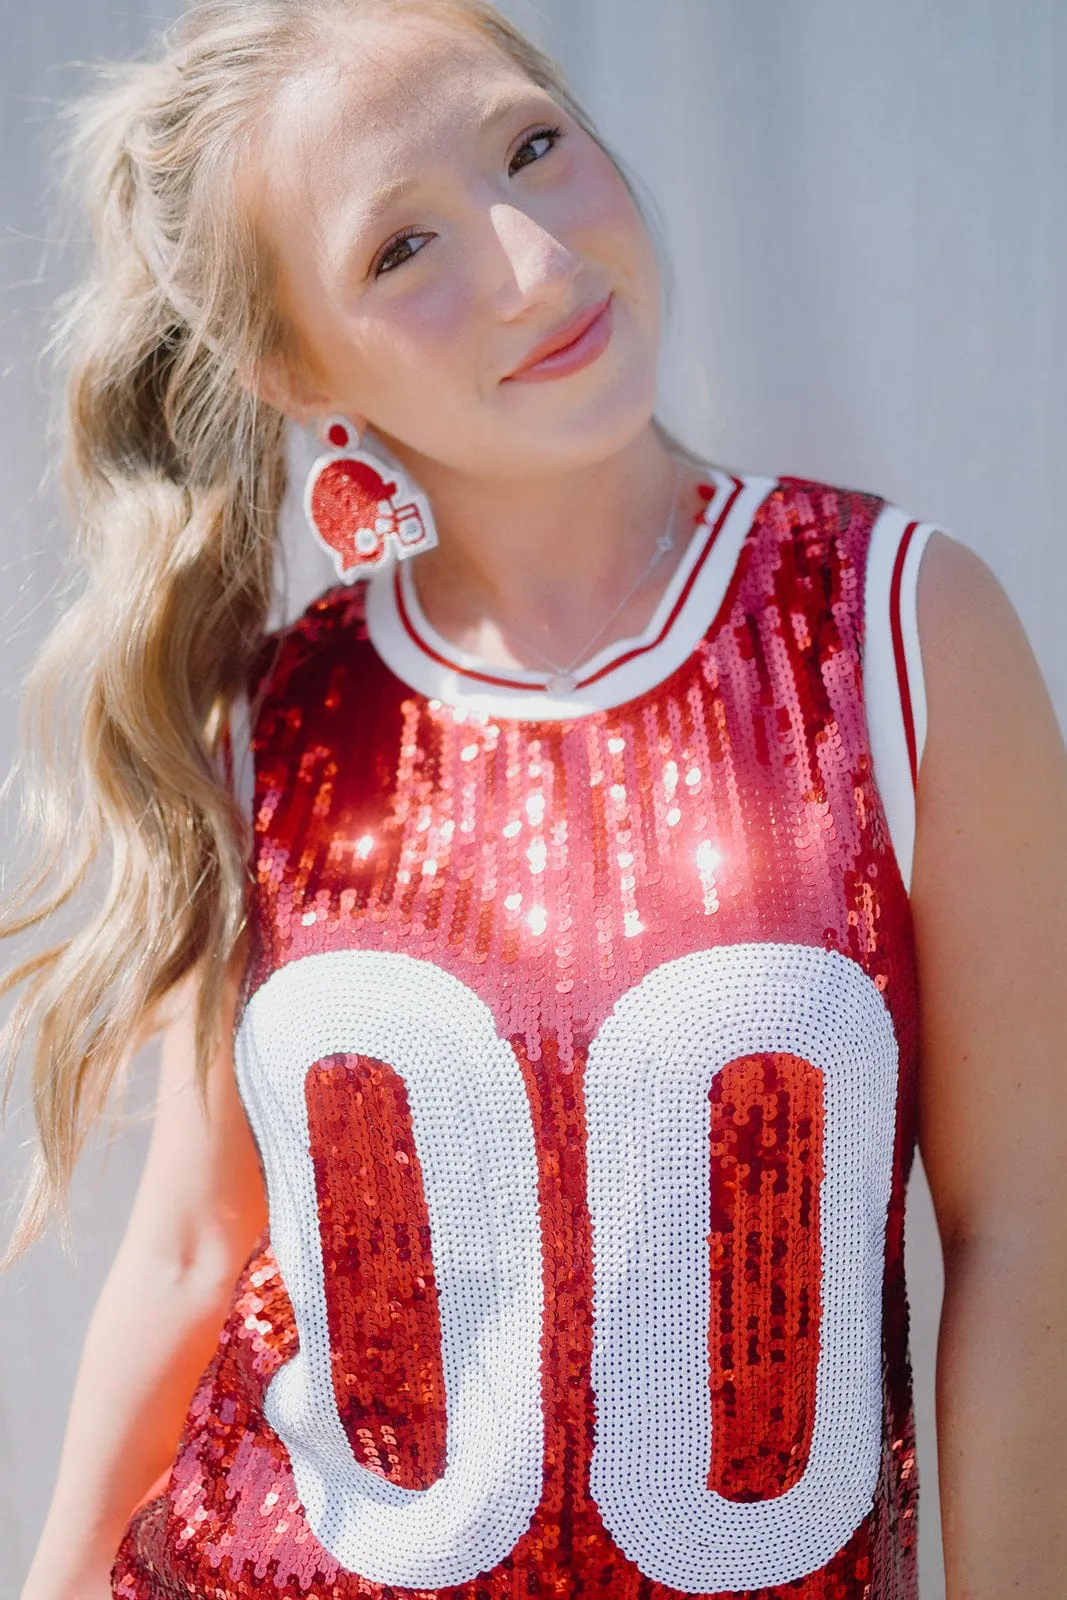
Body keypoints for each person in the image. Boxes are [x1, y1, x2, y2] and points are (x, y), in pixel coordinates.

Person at [6, 1, 1066, 1596]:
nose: (531, 261)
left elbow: (1026, 1237)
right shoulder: (275, 716)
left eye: (532, 146)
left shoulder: (895, 626)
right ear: (296, 368)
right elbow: (186, 1250)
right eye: (400, 249)